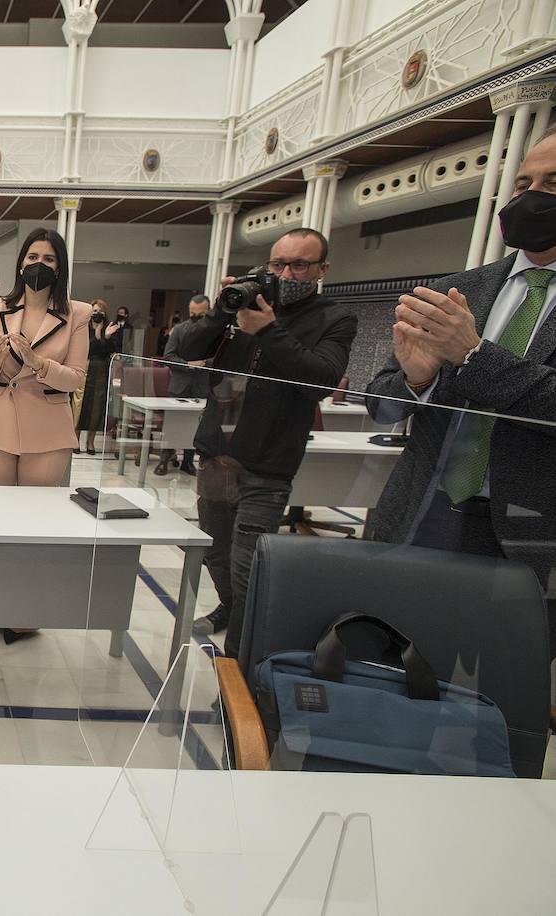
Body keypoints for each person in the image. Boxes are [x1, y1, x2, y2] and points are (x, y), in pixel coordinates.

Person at [366, 127, 556, 655]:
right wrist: (418, 380)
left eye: (551, 183)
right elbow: (380, 403)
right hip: (423, 509)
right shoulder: (460, 288)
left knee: (500, 689)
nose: (530, 197)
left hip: (531, 531)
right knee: (390, 659)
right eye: (522, 184)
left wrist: (474, 357)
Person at [183, 229, 357, 649]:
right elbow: (185, 348)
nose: (286, 273)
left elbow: (320, 381)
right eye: (277, 264)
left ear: (322, 270)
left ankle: (236, 676)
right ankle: (229, 608)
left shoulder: (334, 319)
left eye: (299, 264)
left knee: (248, 569)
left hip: (267, 467)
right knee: (215, 553)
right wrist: (222, 313)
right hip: (217, 454)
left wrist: (268, 331)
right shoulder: (244, 305)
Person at [0, 227, 92, 486]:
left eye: (48, 259)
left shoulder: (78, 314)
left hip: (48, 431)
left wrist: (38, 363)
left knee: (37, 516)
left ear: (59, 269)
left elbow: (74, 380)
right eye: (32, 257)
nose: (38, 264)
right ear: (21, 265)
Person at [155, 294, 212, 475]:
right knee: (172, 423)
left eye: (200, 314)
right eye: (192, 313)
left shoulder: (214, 333)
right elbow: (168, 357)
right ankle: (164, 459)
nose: (195, 317)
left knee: (195, 427)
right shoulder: (179, 330)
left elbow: (220, 359)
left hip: (202, 386)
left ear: (208, 311)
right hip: (179, 385)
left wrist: (205, 363)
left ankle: (188, 462)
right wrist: (188, 365)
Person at [74, 298, 122, 455]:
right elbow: (86, 349)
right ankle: (76, 440)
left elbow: (111, 351)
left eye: (100, 311)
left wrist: (106, 336)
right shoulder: (83, 328)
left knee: (97, 408)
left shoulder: (111, 329)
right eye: (94, 311)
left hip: (101, 373)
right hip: (85, 370)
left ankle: (91, 442)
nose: (97, 314)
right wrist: (97, 334)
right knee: (80, 406)